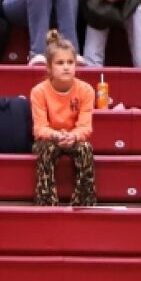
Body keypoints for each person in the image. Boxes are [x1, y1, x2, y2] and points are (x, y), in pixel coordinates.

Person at [29, 31, 96, 207]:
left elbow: (85, 127)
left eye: (70, 62)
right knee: (47, 150)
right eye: (60, 63)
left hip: (73, 137)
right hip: (49, 139)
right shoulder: (39, 92)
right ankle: (46, 204)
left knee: (85, 149)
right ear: (49, 68)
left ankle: (83, 203)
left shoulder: (86, 90)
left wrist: (72, 136)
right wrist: (57, 136)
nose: (66, 67)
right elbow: (40, 128)